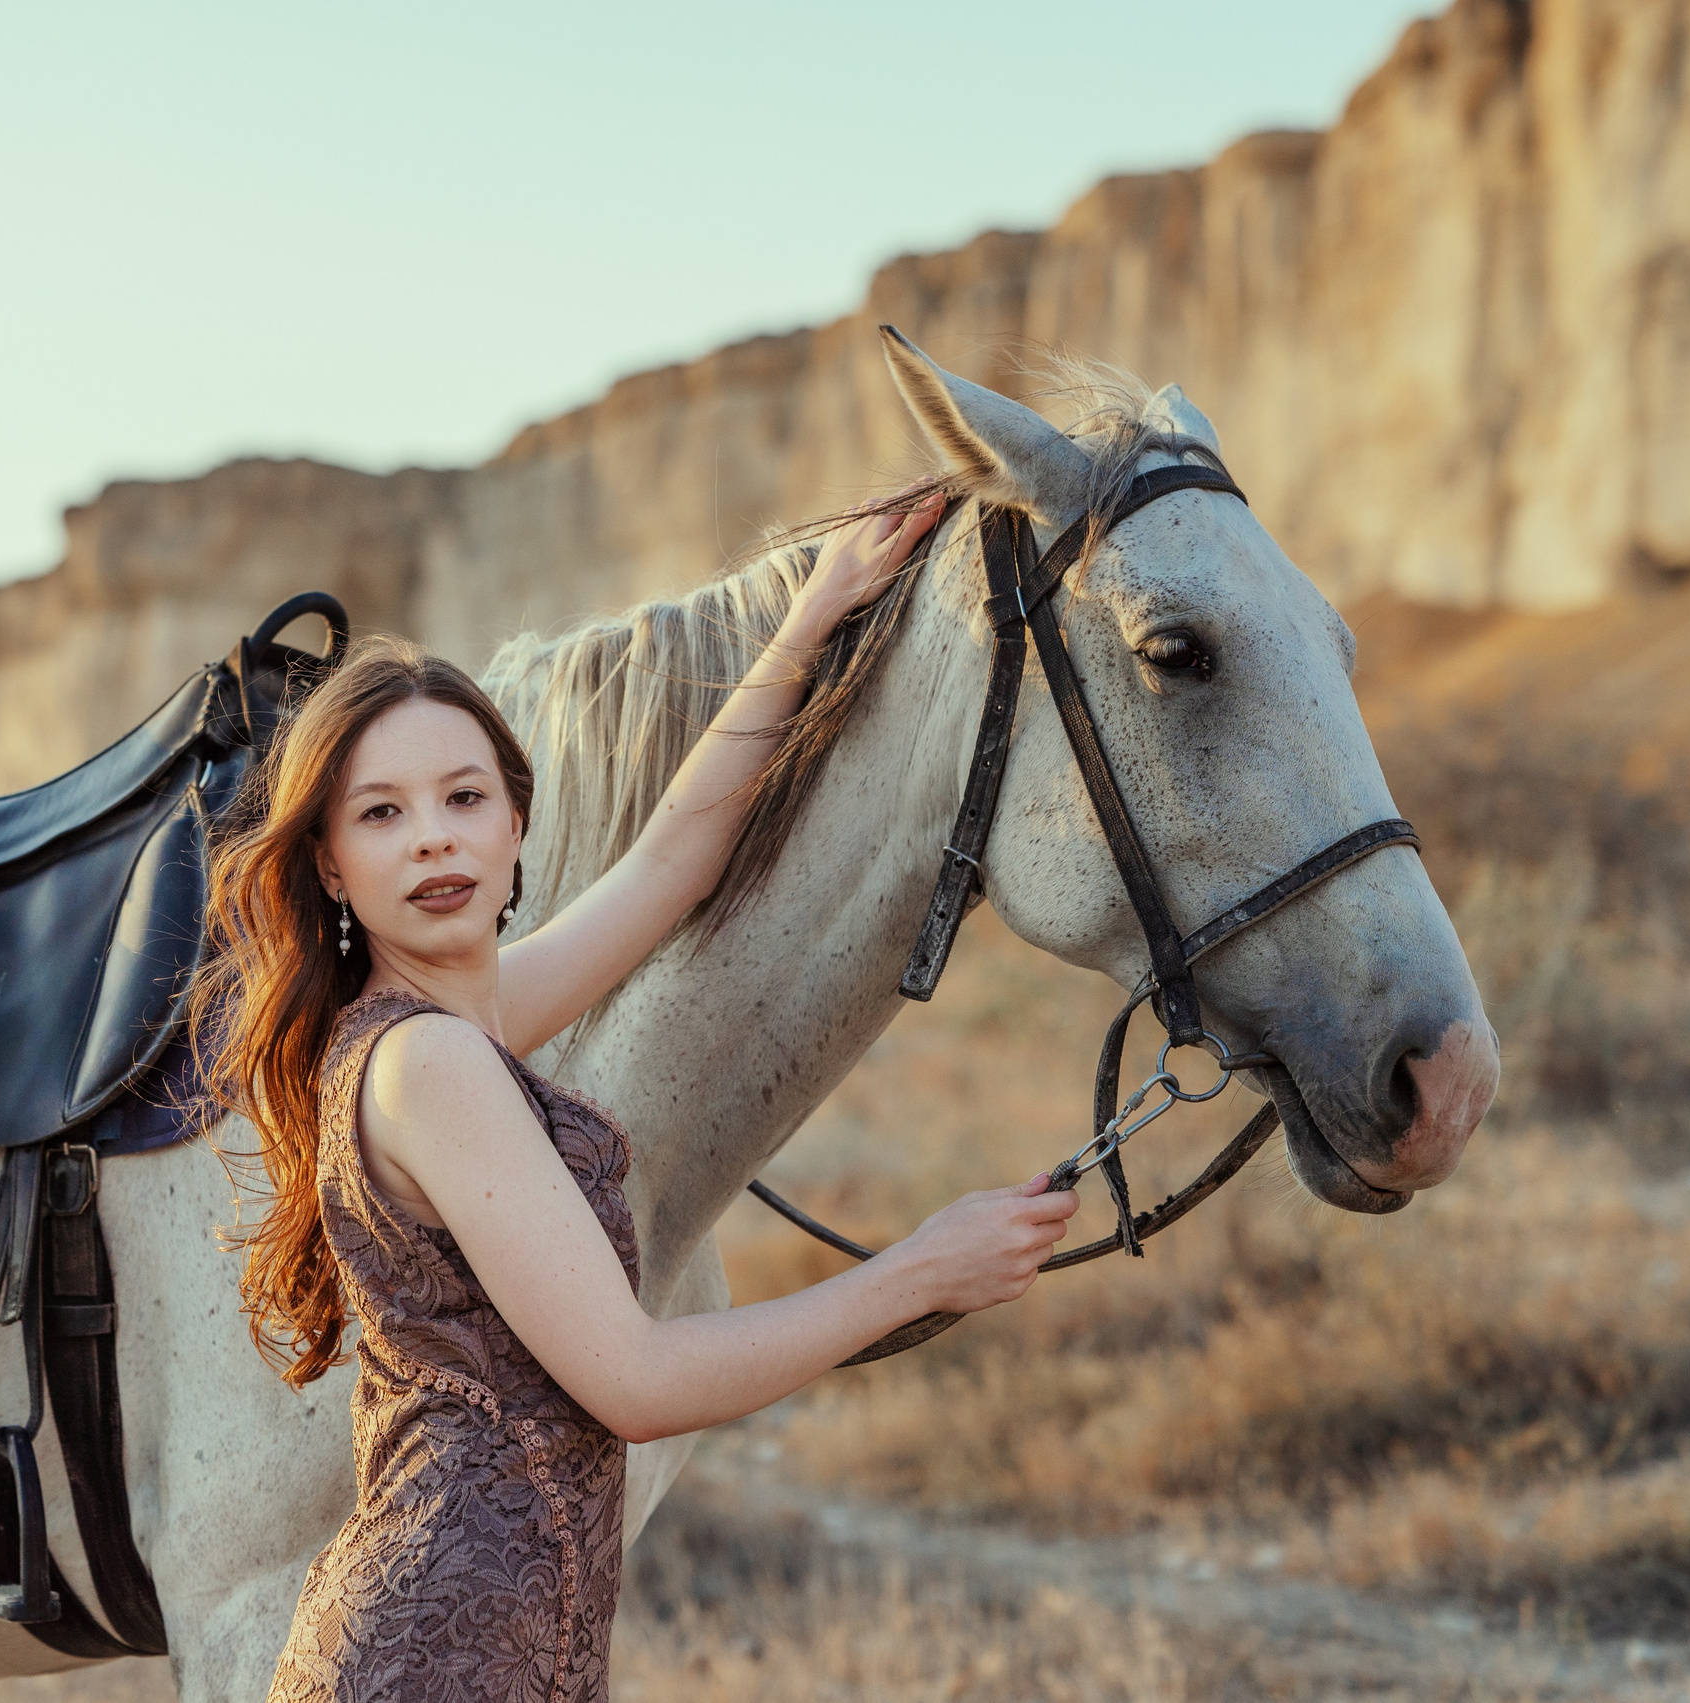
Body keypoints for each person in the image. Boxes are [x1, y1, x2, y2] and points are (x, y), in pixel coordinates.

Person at [188, 490, 1080, 1703]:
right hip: (428, 1665)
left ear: (515, 819)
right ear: (332, 865)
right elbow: (637, 1380)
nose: (434, 841)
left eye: (463, 799)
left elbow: (668, 858)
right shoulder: (430, 1063)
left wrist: (809, 618)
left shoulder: (456, 1021)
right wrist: (920, 1272)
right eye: (382, 814)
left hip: (483, 1650)